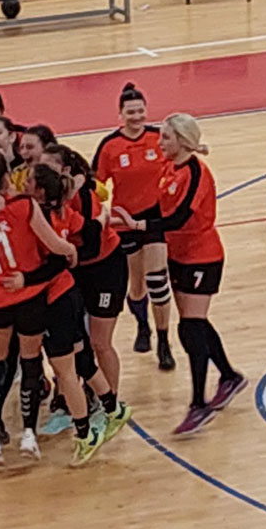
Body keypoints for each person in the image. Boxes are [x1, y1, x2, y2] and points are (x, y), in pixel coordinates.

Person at [0, 150, 106, 467]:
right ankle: (28, 434)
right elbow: (55, 245)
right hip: (29, 296)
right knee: (31, 364)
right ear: (5, 178)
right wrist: (70, 250)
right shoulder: (24, 206)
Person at [113, 114, 248, 436]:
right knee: (195, 323)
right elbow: (161, 210)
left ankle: (199, 403)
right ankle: (229, 376)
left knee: (190, 327)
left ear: (183, 140)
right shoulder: (169, 168)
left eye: (166, 137)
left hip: (203, 256)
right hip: (179, 255)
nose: (159, 142)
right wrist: (126, 220)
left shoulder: (196, 173)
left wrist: (139, 226)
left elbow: (180, 218)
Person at [19, 162, 133, 446]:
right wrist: (102, 217)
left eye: (28, 180)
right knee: (81, 360)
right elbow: (88, 228)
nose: (23, 182)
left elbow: (55, 260)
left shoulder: (40, 219)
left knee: (65, 368)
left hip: (54, 298)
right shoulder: (63, 212)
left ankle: (84, 433)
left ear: (40, 190)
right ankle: (113, 408)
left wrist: (24, 279)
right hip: (68, 294)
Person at [93, 83, 176, 371]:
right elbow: (96, 185)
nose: (137, 116)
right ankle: (143, 325)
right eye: (131, 112)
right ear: (120, 114)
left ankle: (164, 341)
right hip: (124, 220)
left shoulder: (158, 138)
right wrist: (100, 213)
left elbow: (178, 163)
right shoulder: (110, 146)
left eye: (140, 111)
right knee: (137, 285)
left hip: (154, 218)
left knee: (157, 280)